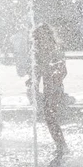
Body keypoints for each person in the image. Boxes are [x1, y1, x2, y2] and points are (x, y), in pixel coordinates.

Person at [28, 23, 69, 156]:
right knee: (49, 118)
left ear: (49, 36)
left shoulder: (55, 51)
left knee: (51, 117)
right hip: (47, 90)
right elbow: (37, 74)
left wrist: (58, 73)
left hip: (56, 90)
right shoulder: (38, 54)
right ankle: (60, 145)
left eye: (42, 36)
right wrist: (32, 82)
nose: (39, 40)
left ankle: (62, 145)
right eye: (37, 38)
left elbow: (63, 70)